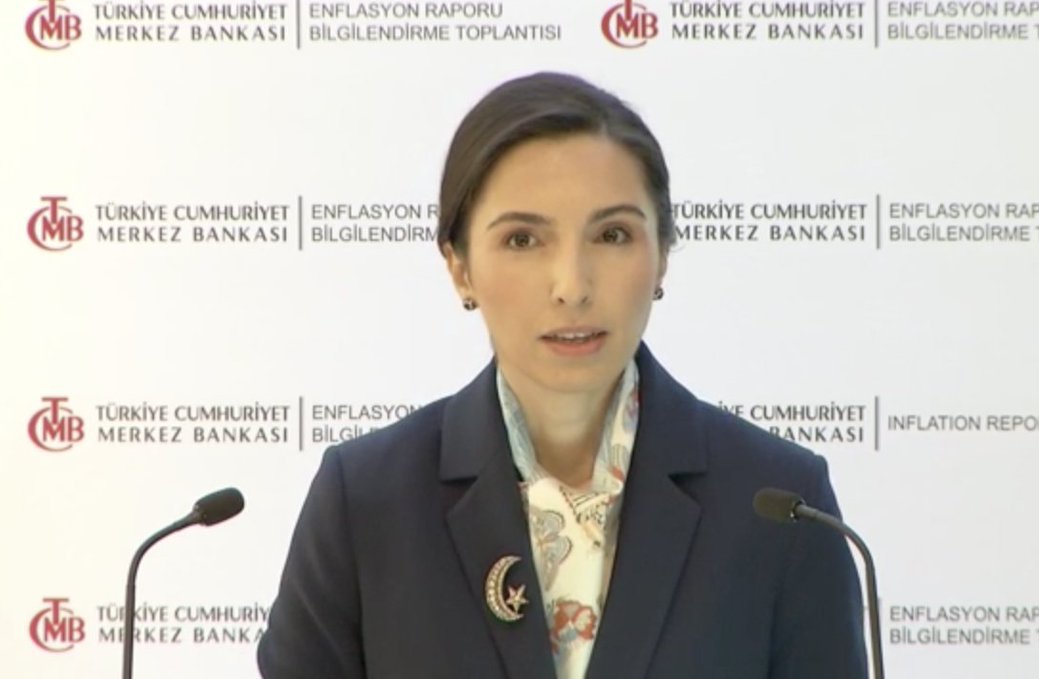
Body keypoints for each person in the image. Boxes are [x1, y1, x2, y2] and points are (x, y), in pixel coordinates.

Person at [257, 72, 867, 679]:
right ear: (460, 267)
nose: (572, 286)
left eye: (612, 235)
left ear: (662, 254)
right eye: (523, 239)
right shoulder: (365, 500)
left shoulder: (782, 505)